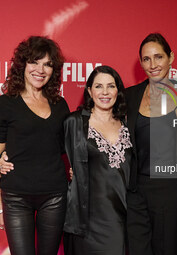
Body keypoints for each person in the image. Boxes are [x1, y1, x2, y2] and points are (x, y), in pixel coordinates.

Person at [0, 36, 69, 255]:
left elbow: (65, 148)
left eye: (47, 64)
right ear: (23, 65)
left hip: (54, 195)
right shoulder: (4, 105)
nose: (40, 70)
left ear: (54, 70)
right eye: (34, 62)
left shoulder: (60, 105)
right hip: (16, 197)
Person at [125, 33, 177, 255]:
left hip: (170, 190)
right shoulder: (130, 96)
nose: (152, 65)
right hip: (135, 190)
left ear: (170, 57)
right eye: (146, 59)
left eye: (158, 57)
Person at [62, 65, 132, 255]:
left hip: (123, 216)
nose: (105, 92)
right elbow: (47, 154)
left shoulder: (128, 124)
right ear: (89, 91)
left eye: (111, 86)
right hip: (87, 219)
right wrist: (6, 157)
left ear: (118, 90)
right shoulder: (74, 122)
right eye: (99, 86)